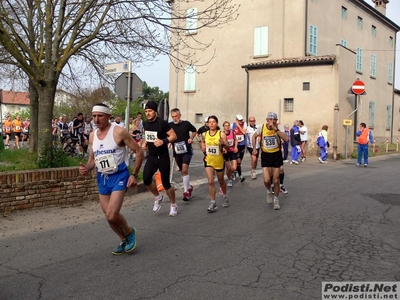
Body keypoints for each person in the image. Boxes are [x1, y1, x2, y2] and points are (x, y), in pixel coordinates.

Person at [79, 103, 143, 255]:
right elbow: (93, 159)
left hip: (119, 175)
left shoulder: (119, 132)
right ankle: (123, 239)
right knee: (108, 216)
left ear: (108, 116)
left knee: (113, 214)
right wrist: (87, 168)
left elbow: (139, 151)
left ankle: (129, 232)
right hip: (102, 177)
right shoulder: (93, 135)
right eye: (94, 116)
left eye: (100, 116)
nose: (96, 119)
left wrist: (134, 174)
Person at [142, 101, 178, 217]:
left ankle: (173, 205)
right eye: (146, 111)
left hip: (162, 157)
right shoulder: (145, 124)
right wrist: (145, 143)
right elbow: (147, 136)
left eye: (150, 111)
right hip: (152, 156)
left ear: (155, 111)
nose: (148, 113)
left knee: (166, 183)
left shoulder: (162, 123)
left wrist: (163, 141)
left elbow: (173, 136)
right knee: (146, 179)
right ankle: (158, 196)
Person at [252, 112, 289, 210]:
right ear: (267, 120)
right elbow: (253, 136)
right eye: (270, 120)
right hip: (266, 155)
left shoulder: (278, 128)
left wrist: (276, 130)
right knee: (266, 180)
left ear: (276, 121)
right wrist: (254, 148)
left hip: (276, 155)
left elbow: (286, 138)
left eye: (274, 120)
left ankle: (276, 200)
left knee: (276, 180)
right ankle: (269, 190)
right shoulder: (262, 127)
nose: (272, 122)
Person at [202, 115, 230, 212]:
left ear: (217, 123)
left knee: (221, 181)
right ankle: (213, 202)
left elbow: (227, 147)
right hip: (208, 160)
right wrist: (203, 147)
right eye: (210, 122)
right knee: (210, 181)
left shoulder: (221, 134)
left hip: (219, 160)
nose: (212, 124)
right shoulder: (205, 134)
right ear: (207, 124)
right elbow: (202, 142)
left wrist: (223, 143)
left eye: (213, 122)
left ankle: (225, 196)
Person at [169, 108, 197, 201]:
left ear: (180, 115)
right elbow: (165, 135)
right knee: (182, 171)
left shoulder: (186, 124)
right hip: (177, 152)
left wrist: (191, 138)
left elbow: (194, 130)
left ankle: (185, 192)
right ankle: (189, 187)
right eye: (173, 117)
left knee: (185, 170)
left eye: (176, 116)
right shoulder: (169, 126)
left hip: (186, 150)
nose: (174, 118)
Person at [222, 121, 238, 187]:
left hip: (232, 151)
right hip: (225, 153)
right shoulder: (222, 134)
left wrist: (236, 147)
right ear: (223, 127)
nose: (227, 127)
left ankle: (231, 173)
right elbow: (220, 143)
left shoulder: (232, 132)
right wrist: (223, 148)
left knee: (234, 167)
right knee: (228, 168)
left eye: (228, 125)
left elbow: (236, 140)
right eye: (226, 125)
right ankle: (229, 180)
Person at [231, 114, 247, 182]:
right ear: (236, 120)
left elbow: (244, 132)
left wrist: (239, 126)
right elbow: (231, 134)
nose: (241, 122)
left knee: (239, 162)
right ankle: (240, 175)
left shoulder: (244, 124)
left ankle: (234, 172)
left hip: (242, 145)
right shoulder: (232, 125)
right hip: (236, 146)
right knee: (238, 161)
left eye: (241, 120)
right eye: (239, 121)